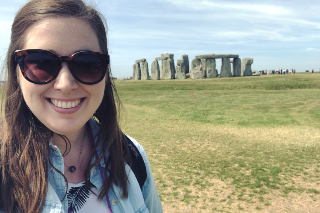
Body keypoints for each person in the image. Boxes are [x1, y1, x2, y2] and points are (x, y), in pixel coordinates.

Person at [0, 0, 163, 213]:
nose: (65, 84)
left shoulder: (131, 156)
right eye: (41, 63)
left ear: (105, 72)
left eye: (87, 64)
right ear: (16, 73)